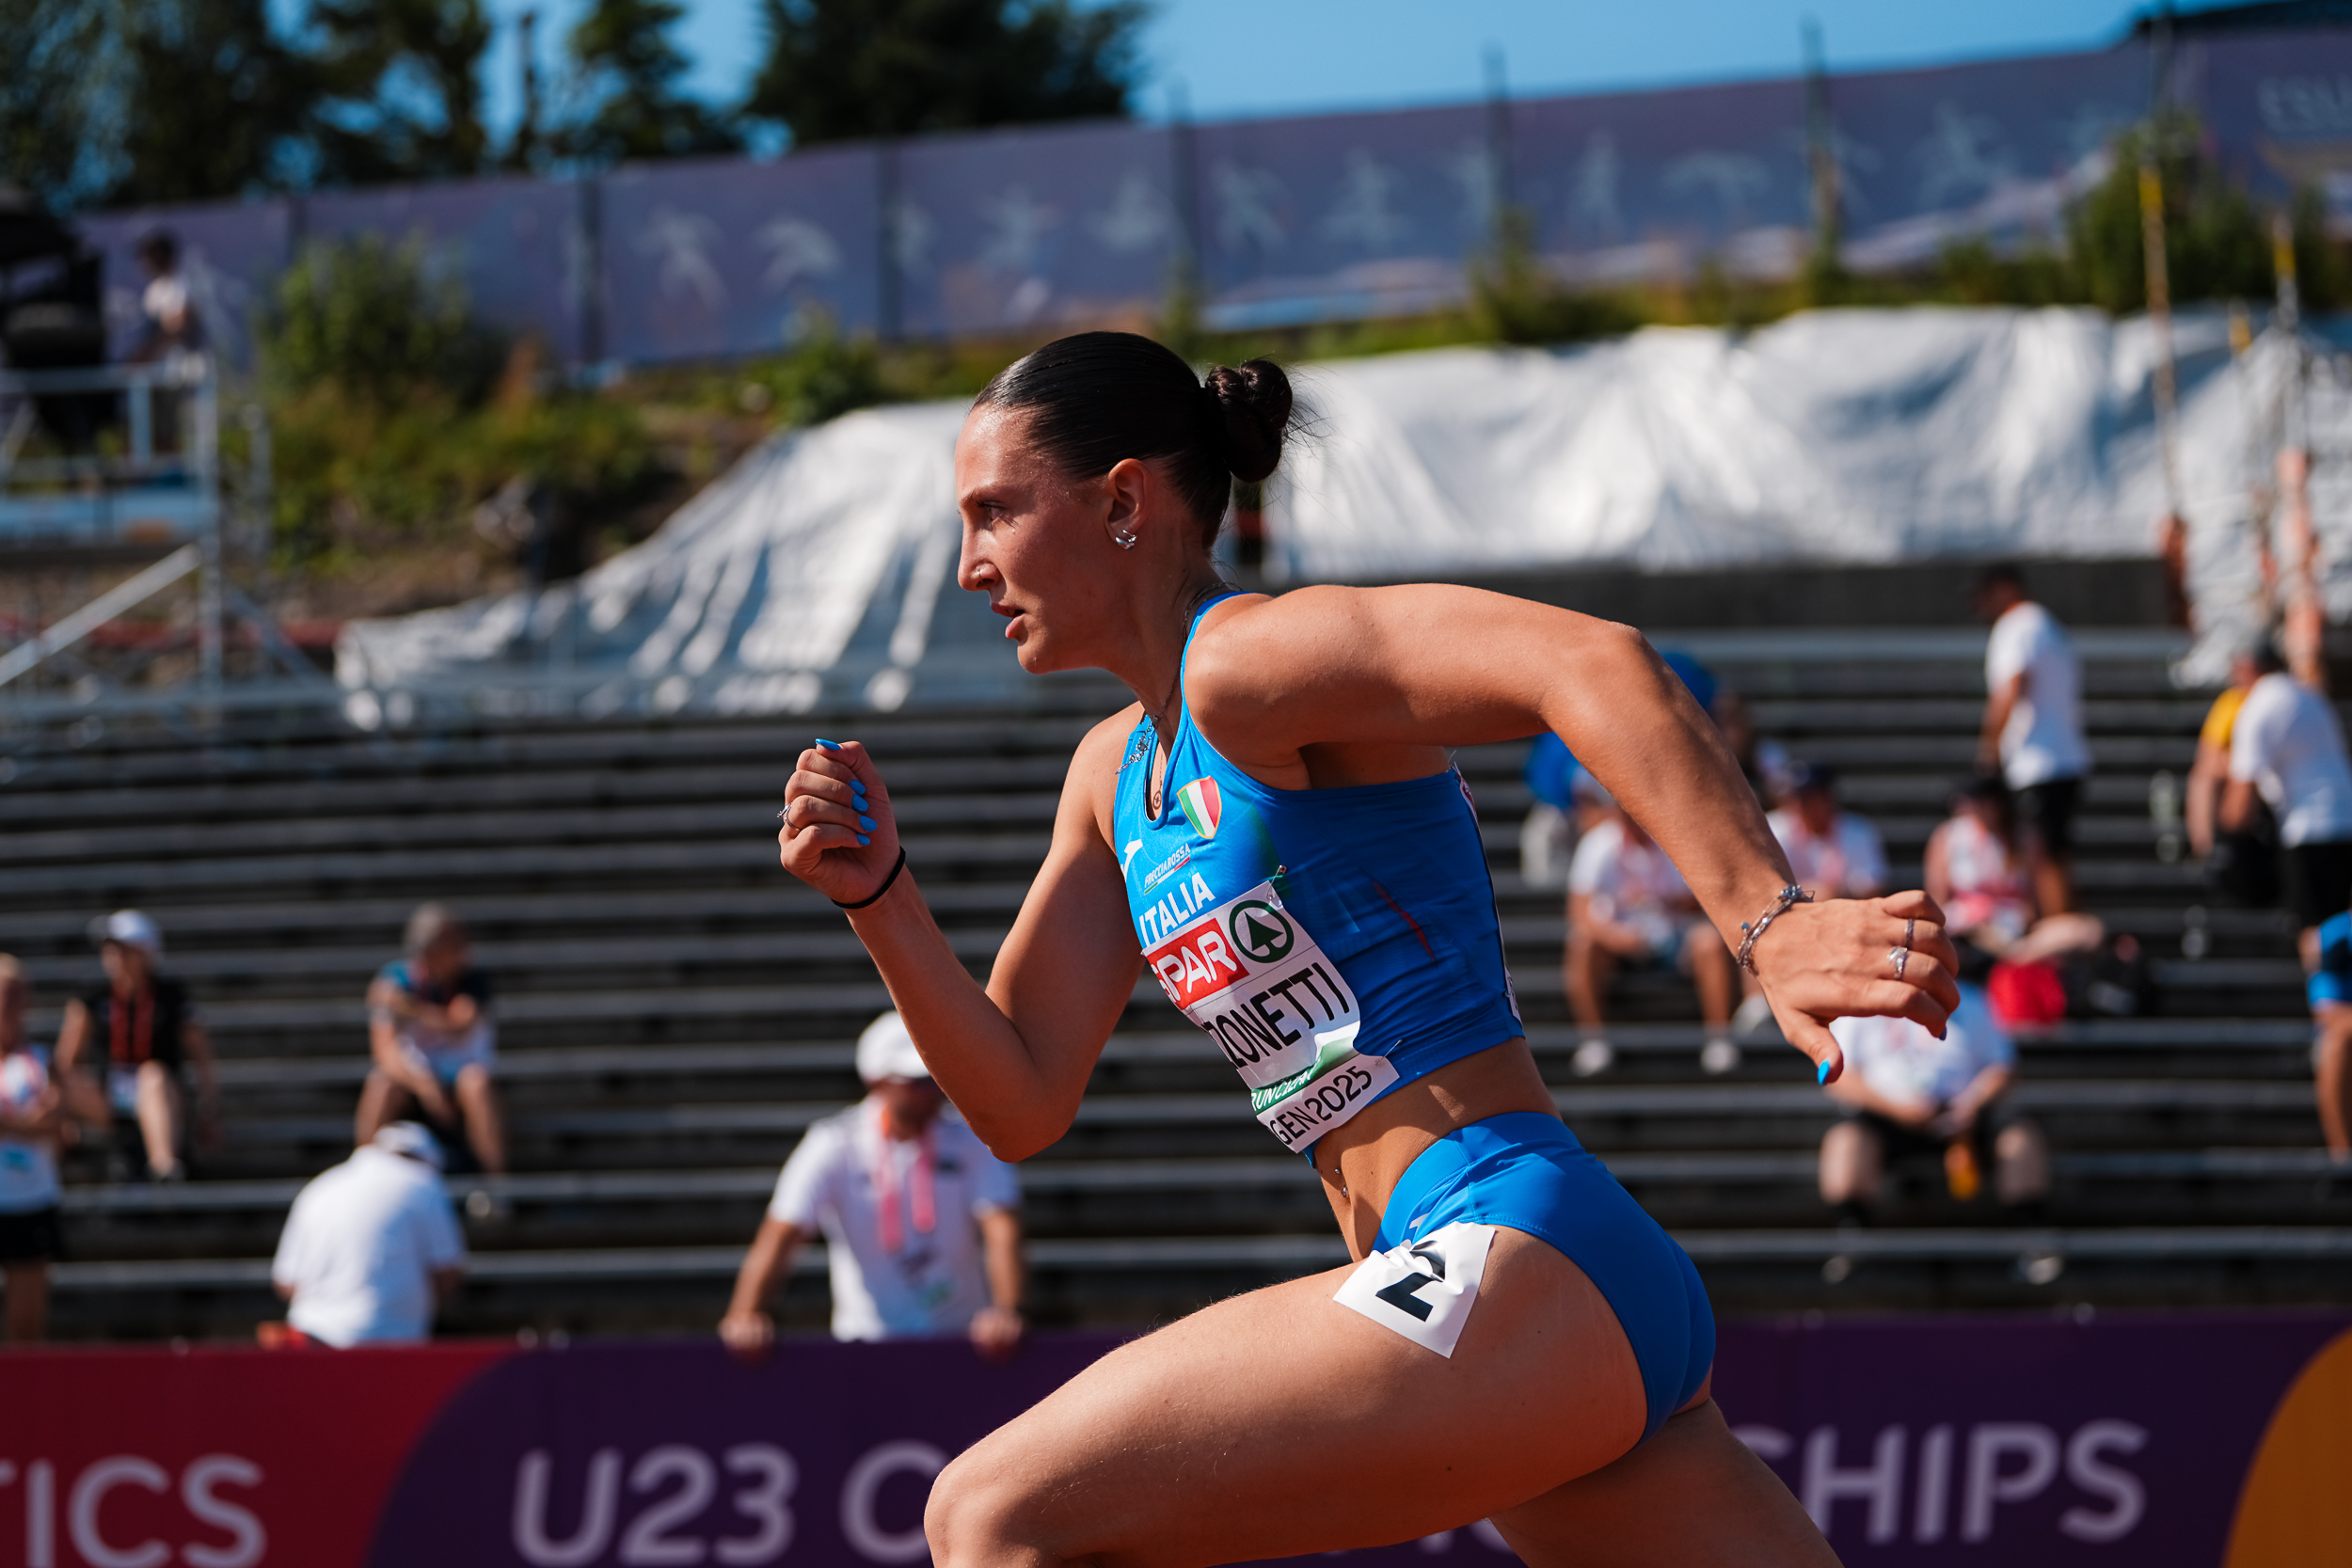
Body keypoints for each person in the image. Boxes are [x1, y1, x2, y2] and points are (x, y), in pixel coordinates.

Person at [774, 332, 1955, 1567]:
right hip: (1523, 1291)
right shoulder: (1109, 774)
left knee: (986, 1513)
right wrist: (881, 900)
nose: (970, 565)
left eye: (993, 513)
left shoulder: (1245, 661)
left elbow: (1590, 658)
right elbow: (1018, 1099)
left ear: (1123, 500)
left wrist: (1770, 917)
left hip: (1505, 1245)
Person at [720, 1012, 1025, 1359]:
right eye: (916, 1081)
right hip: (864, 1347)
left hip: (960, 1343)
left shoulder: (971, 1142)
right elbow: (783, 1231)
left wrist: (1007, 1311)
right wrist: (746, 1315)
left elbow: (1002, 1227)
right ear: (876, 1081)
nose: (932, 1091)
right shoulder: (833, 1143)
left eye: (936, 1078)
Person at [1818, 983, 2047, 1221]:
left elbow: (2002, 1066)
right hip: (1887, 1117)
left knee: (2020, 1138)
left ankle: (2027, 1231)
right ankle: (1850, 1233)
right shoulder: (1862, 1002)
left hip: (1965, 1118)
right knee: (1847, 1140)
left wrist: (1972, 1104)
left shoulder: (1972, 999)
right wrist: (1896, 1110)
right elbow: (1840, 1076)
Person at [1565, 795, 1740, 1077]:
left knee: (1710, 942)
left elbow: (1703, 899)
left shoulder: (1676, 837)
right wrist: (1614, 937)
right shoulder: (1598, 843)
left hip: (1674, 936)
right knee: (1583, 943)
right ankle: (1594, 1040)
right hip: (1620, 941)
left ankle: (1720, 1038)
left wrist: (1663, 901)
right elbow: (1579, 911)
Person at [266, 1122, 466, 1348]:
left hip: (308, 1339)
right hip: (387, 1342)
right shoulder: (425, 1183)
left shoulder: (320, 1186)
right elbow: (447, 1273)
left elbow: (286, 1282)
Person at [56, 911, 218, 1182]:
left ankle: (163, 1166)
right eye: (110, 949)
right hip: (109, 1094)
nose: (114, 956)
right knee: (55, 1081)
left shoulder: (170, 996)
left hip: (160, 1094)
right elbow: (65, 1061)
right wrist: (60, 1114)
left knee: (152, 1075)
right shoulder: (92, 996)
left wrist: (209, 1112)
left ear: (146, 953)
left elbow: (203, 1057)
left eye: (123, 949)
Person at [2223, 642, 2352, 972]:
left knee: (2315, 931)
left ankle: (2327, 999)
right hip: (2343, 818)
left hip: (2311, 827)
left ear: (2247, 667)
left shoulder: (2259, 706)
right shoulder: (2306, 695)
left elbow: (2241, 798)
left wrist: (2225, 844)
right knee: (2340, 923)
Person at [358, 905, 506, 1185]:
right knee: (381, 1084)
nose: (465, 950)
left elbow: (460, 1025)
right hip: (413, 1080)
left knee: (477, 1084)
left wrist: (409, 1008)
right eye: (455, 943)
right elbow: (385, 1052)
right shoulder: (396, 978)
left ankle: (495, 1186)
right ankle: (359, 1178)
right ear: (431, 951)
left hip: (459, 1077)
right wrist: (425, 1085)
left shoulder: (471, 979)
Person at [1975, 564, 2090, 916]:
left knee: (2043, 855)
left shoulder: (2017, 626)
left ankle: (2059, 930)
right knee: (2057, 854)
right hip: (2065, 755)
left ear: (2006, 588)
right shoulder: (2049, 627)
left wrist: (1990, 745)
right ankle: (2065, 926)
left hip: (2038, 760)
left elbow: (2010, 687)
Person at [1, 956, 96, 1344]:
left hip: (31, 1198)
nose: (9, 1004)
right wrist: (30, 1124)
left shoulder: (40, 1062)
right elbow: (44, 1122)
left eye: (16, 994)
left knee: (27, 1327)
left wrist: (8, 1125)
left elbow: (59, 1122)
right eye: (4, 994)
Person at [1924, 778, 2104, 968]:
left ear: (1996, 805)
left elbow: (2035, 908)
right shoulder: (1949, 836)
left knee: (2089, 931)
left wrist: (2018, 917)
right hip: (1966, 932)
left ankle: (2014, 959)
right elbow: (1936, 901)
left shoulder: (2025, 838)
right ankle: (2011, 960)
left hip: (2012, 935)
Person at [2189, 641, 2280, 906]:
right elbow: (2208, 756)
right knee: (2204, 779)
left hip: (2274, 772)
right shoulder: (2231, 702)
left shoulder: (2277, 697)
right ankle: (2209, 851)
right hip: (2244, 774)